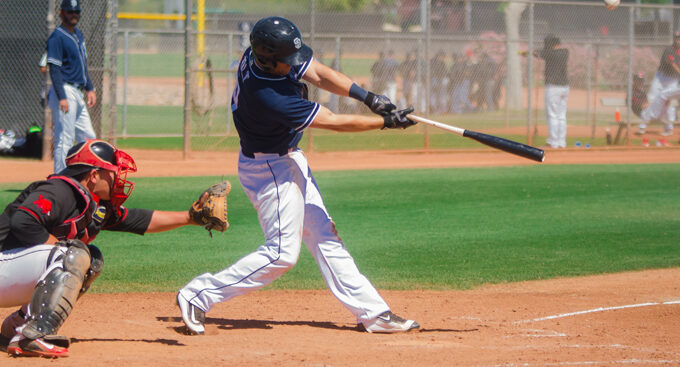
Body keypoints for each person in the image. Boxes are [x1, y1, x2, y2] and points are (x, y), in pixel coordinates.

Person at [177, 16, 419, 336]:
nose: (294, 65)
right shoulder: (267, 95)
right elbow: (332, 121)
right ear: (267, 58)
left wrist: (369, 98)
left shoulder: (265, 56)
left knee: (325, 236)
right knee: (281, 255)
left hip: (287, 158)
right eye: (286, 61)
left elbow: (318, 72)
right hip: (270, 171)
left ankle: (373, 313)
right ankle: (197, 294)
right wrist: (384, 123)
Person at [0, 139, 221, 358]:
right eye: (113, 172)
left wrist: (190, 217)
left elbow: (138, 219)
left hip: (11, 276)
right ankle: (36, 335)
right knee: (71, 254)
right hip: (4, 266)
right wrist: (61, 252)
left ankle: (17, 327)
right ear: (94, 175)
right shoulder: (60, 190)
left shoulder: (93, 204)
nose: (118, 178)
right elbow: (23, 221)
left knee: (91, 259)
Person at [46, 0, 98, 174]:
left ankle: (85, 176)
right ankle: (60, 178)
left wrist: (89, 88)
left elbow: (82, 66)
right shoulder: (57, 37)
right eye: (70, 12)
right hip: (65, 90)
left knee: (88, 136)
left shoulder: (78, 34)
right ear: (61, 13)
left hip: (77, 91)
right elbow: (54, 69)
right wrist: (62, 96)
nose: (74, 15)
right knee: (64, 138)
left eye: (76, 12)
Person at [527, 34, 570, 148]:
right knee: (561, 115)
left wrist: (529, 53)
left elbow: (537, 52)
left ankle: (553, 142)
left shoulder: (550, 53)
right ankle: (561, 142)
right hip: (565, 87)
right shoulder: (565, 52)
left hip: (554, 88)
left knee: (552, 115)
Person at [637, 30, 680, 136]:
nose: (678, 40)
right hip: (661, 78)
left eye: (679, 38)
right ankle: (642, 126)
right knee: (651, 99)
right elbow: (672, 64)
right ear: (674, 39)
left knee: (669, 102)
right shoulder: (669, 49)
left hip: (673, 80)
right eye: (677, 38)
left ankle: (669, 128)